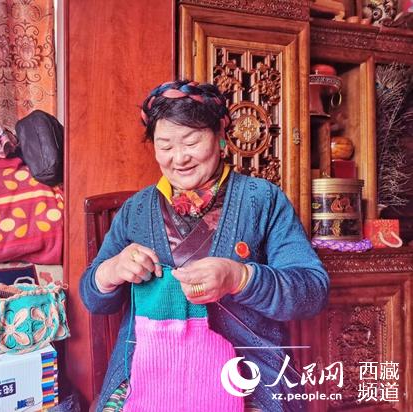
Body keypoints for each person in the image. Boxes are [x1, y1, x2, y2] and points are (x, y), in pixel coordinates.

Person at [80, 80, 329, 411]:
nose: (179, 158)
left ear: (220, 136)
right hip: (149, 368)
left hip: (246, 373)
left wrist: (241, 278)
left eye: (191, 141)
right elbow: (92, 297)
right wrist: (110, 271)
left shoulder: (263, 200)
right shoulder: (136, 210)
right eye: (165, 146)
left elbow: (313, 291)